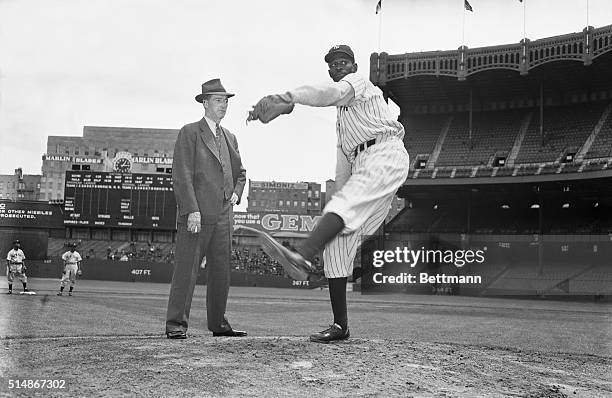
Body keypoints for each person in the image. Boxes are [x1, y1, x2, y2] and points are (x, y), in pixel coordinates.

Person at [248, 45, 409, 343]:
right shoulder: (342, 120)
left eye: (344, 62)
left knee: (345, 206)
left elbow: (331, 93)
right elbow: (343, 164)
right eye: (334, 64)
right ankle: (340, 326)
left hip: (385, 152)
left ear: (354, 66)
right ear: (329, 70)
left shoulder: (360, 84)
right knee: (337, 243)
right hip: (363, 164)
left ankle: (301, 256)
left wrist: (289, 98)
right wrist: (336, 201)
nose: (339, 67)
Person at [165, 78, 247, 339]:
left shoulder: (230, 137)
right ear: (205, 103)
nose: (224, 106)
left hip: (224, 214)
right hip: (197, 214)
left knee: (221, 273)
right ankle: (176, 325)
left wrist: (235, 193)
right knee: (187, 271)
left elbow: (240, 173)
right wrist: (191, 210)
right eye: (219, 101)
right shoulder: (190, 132)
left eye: (226, 101)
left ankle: (219, 324)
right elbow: (182, 174)